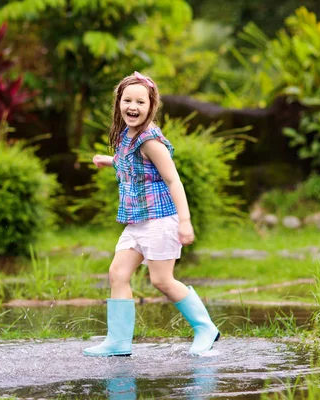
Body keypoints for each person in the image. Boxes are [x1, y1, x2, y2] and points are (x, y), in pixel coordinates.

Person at [83, 71, 220, 357]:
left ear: (151, 106)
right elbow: (133, 166)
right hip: (137, 222)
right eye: (127, 100)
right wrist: (110, 161)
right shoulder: (127, 135)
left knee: (161, 280)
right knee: (117, 273)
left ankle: (206, 328)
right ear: (119, 102)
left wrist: (184, 222)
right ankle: (118, 342)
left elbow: (173, 180)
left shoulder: (150, 141)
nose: (133, 106)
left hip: (160, 221)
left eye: (140, 102)